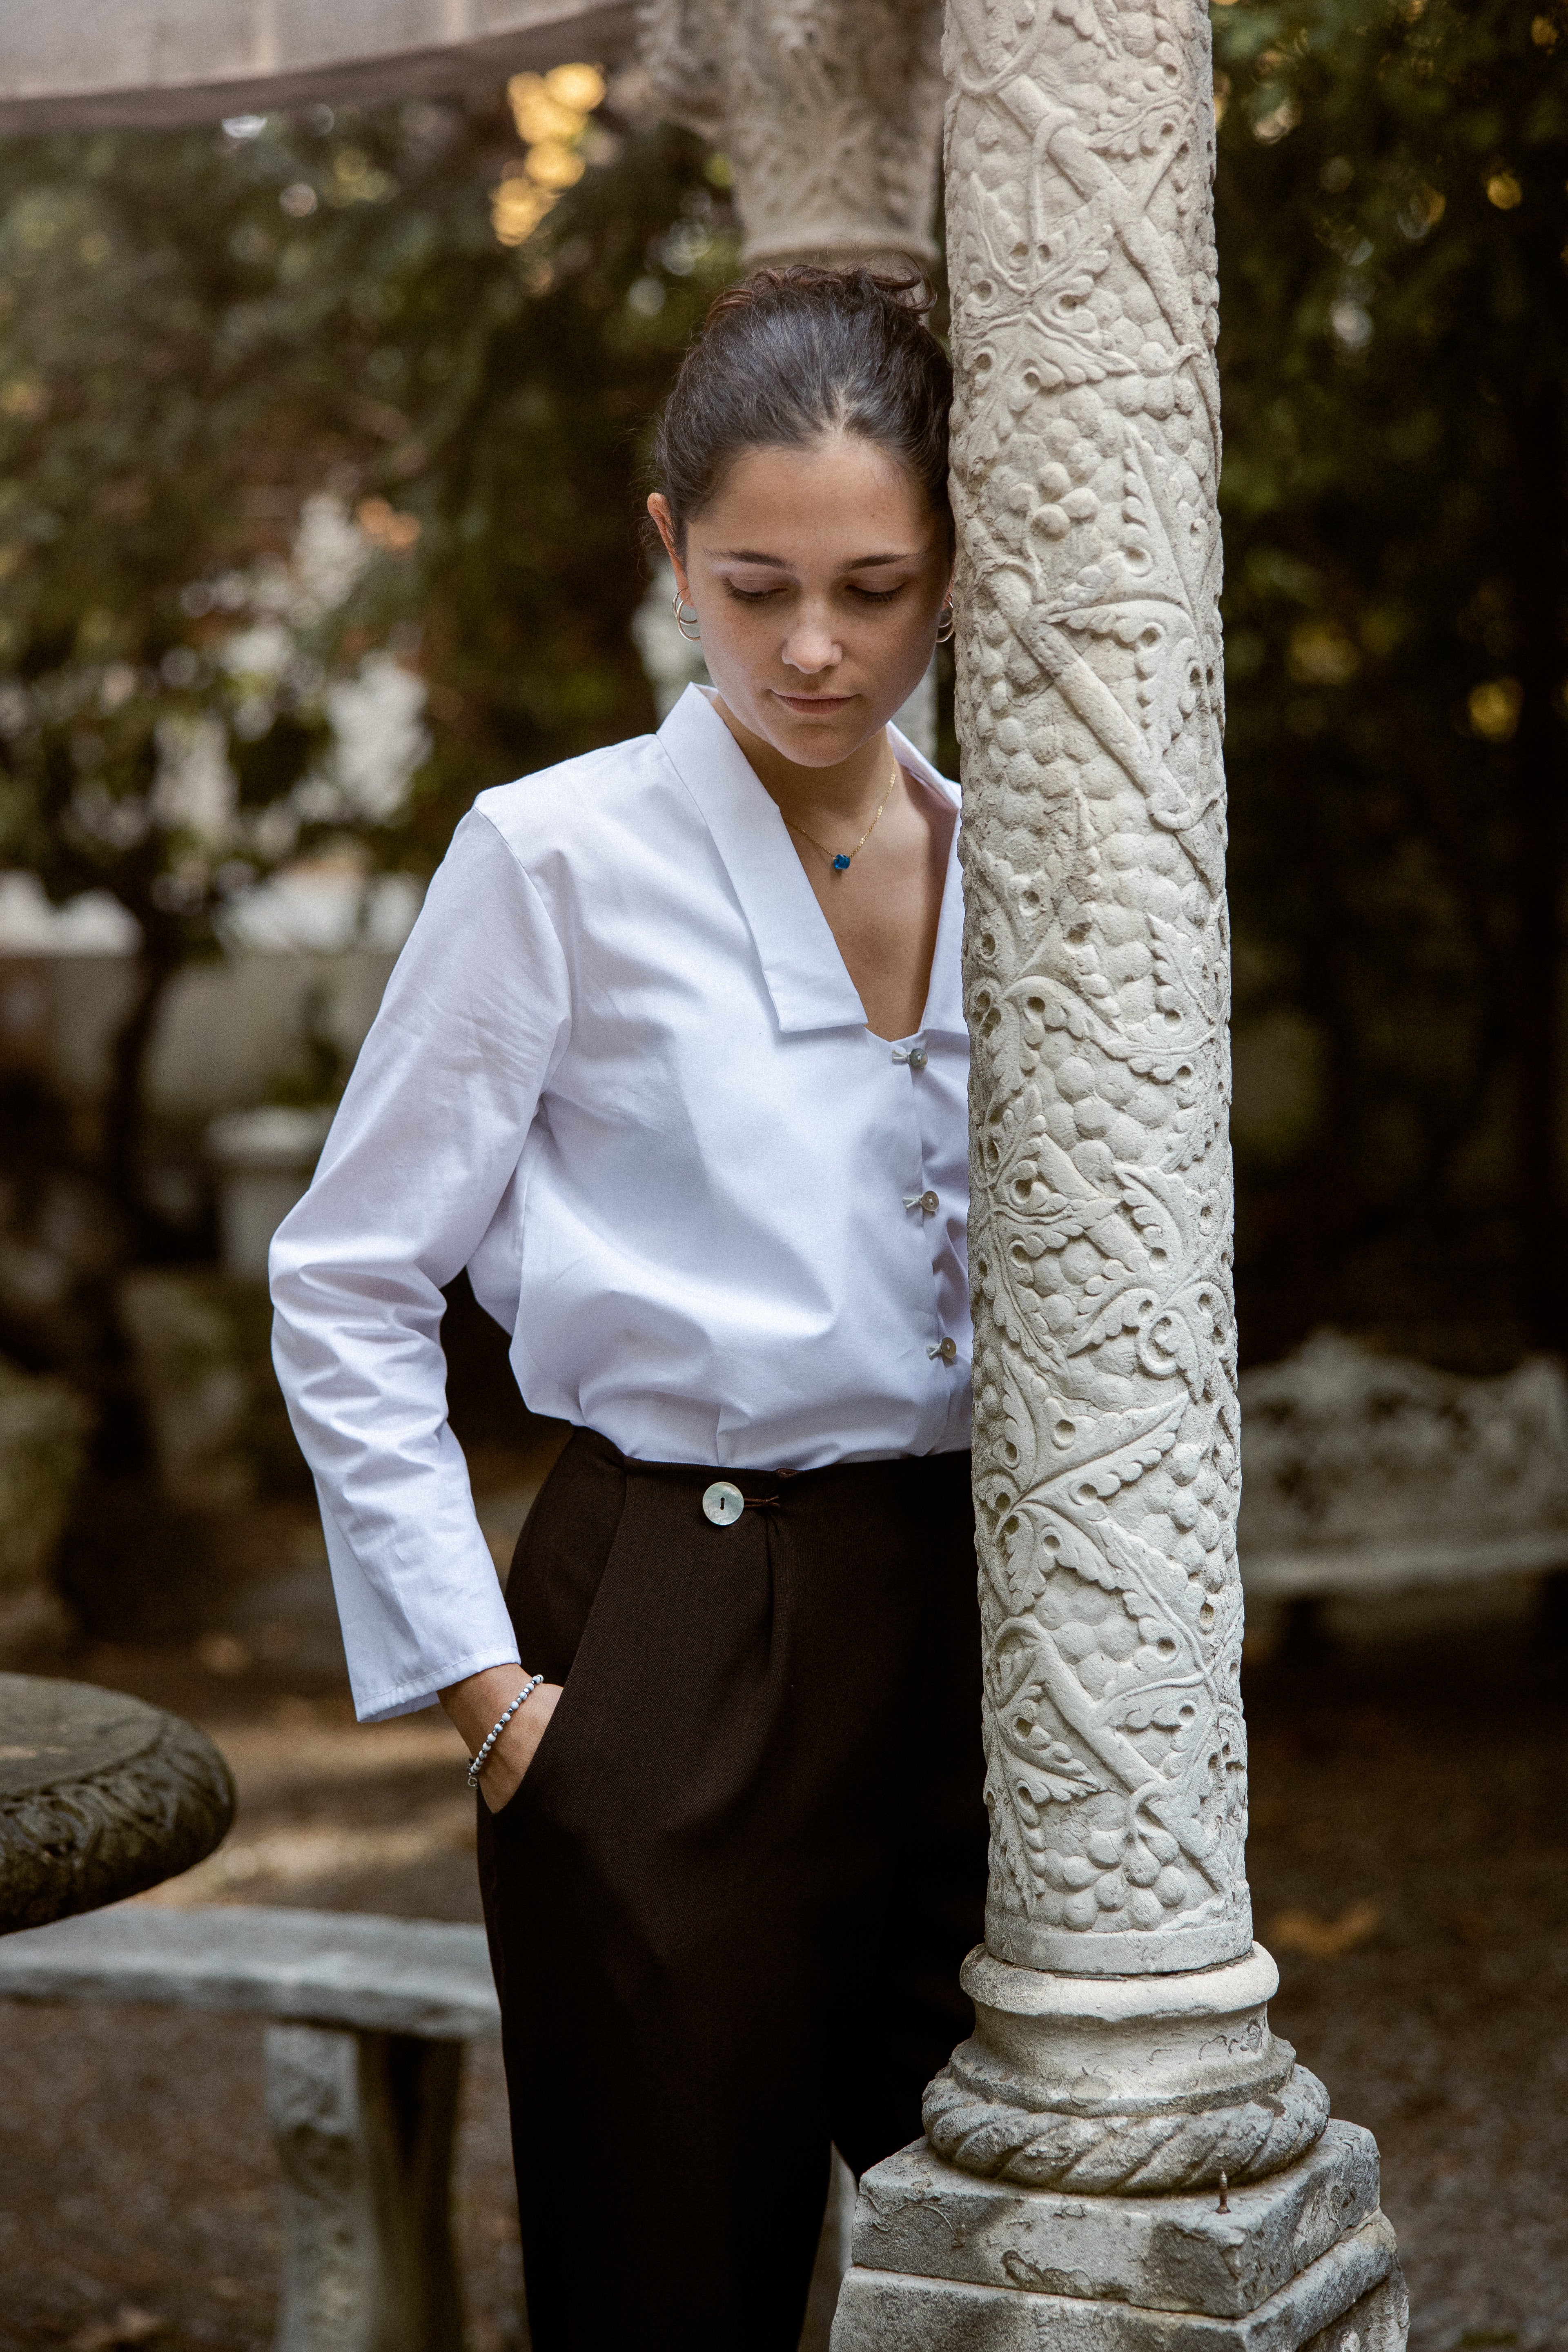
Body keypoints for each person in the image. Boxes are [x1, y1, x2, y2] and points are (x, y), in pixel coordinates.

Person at [270, 265, 986, 2351]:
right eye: (758, 584)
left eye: (878, 583)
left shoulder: (1030, 848)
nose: (818, 647)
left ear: (952, 571)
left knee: (1024, 2263)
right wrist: (489, 1707)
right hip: (673, 1629)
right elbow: (348, 1274)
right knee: (671, 2295)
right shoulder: (553, 858)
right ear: (669, 541)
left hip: (974, 1643)